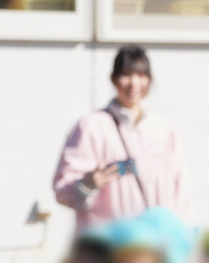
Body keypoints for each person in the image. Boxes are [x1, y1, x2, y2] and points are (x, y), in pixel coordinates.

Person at [54, 47, 191, 229]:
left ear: (150, 80)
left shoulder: (164, 129)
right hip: (108, 247)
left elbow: (180, 188)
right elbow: (63, 190)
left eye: (141, 75)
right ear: (113, 79)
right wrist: (88, 183)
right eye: (126, 74)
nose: (134, 83)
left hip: (156, 244)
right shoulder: (91, 126)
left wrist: (186, 230)